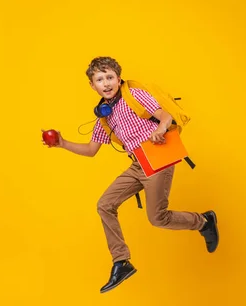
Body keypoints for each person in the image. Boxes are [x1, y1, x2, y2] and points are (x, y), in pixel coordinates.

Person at [44, 56, 219, 293]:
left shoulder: (133, 95)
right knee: (104, 204)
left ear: (118, 78)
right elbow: (91, 151)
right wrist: (62, 143)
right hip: (138, 165)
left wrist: (159, 129)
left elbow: (165, 115)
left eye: (110, 77)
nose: (106, 83)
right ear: (92, 85)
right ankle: (121, 261)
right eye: (99, 79)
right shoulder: (104, 116)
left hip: (158, 158)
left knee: (157, 218)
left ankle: (204, 221)